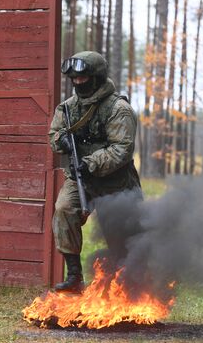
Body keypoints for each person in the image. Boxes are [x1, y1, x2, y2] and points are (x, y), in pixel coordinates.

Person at [48, 51, 141, 293]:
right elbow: (54, 136)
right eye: (74, 79)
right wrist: (63, 142)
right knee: (64, 210)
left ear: (97, 77)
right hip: (81, 178)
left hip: (115, 180)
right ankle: (75, 276)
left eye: (83, 78)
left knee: (119, 233)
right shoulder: (67, 108)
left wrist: (90, 162)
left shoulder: (118, 108)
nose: (78, 83)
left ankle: (127, 285)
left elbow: (122, 149)